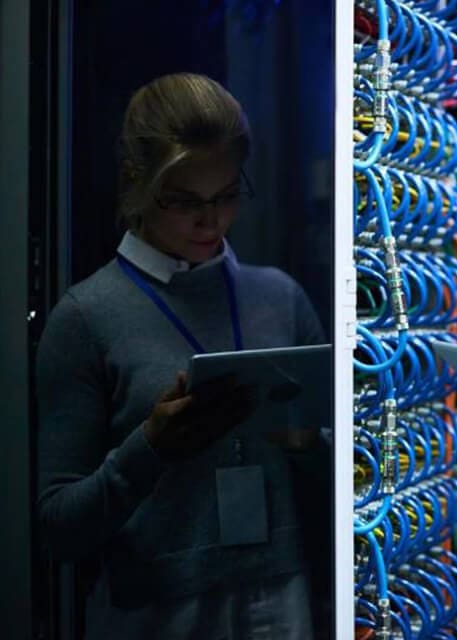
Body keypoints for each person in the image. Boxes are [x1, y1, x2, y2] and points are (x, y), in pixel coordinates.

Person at [36, 73, 325, 638]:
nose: (211, 221)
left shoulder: (279, 297)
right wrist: (150, 449)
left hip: (281, 594)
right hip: (154, 612)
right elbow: (58, 528)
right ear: (137, 185)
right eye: (185, 201)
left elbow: (347, 475)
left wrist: (310, 444)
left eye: (226, 196)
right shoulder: (86, 317)